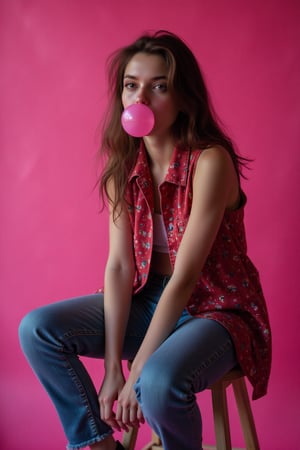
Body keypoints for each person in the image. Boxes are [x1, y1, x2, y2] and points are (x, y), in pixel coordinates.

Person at [19, 30, 271, 450]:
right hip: (148, 300)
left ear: (183, 97)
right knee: (38, 329)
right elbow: (119, 267)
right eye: (131, 85)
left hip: (216, 309)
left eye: (159, 87)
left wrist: (138, 373)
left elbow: (186, 277)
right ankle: (97, 445)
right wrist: (115, 368)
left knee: (156, 383)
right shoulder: (124, 167)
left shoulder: (211, 162)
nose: (141, 99)